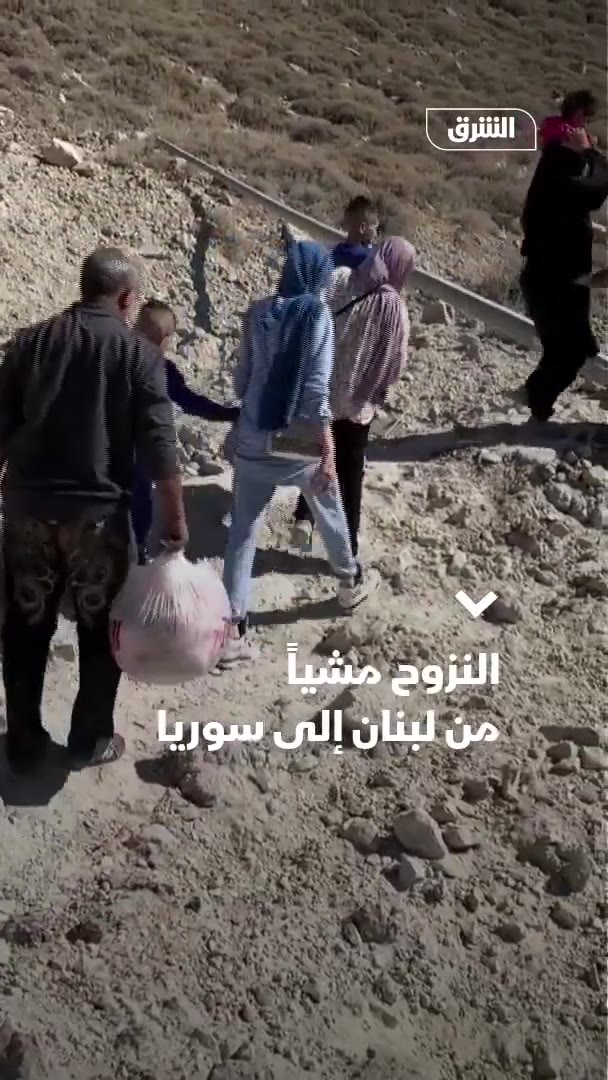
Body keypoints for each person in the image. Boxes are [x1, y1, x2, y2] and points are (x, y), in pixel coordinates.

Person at [0, 248, 187, 773]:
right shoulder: (138, 354)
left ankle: (23, 743)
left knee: (25, 626)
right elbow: (160, 444)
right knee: (100, 632)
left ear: (84, 287)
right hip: (99, 521)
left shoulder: (31, 342)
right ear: (127, 298)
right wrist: (174, 520)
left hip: (28, 514)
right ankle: (89, 740)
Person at [221, 240, 377, 666]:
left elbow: (241, 380)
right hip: (299, 441)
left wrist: (255, 408)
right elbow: (314, 392)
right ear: (318, 277)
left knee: (244, 532)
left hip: (255, 432)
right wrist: (328, 451)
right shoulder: (317, 316)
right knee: (330, 509)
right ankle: (348, 584)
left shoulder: (257, 313)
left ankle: (232, 625)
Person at [291, 237, 415, 558]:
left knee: (317, 455)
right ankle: (347, 547)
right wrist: (376, 395)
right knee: (349, 474)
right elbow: (395, 362)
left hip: (322, 391)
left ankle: (304, 520)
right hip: (358, 404)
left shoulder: (341, 278)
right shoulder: (395, 310)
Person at [520, 89, 608, 421]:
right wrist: (593, 155)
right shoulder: (561, 163)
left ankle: (536, 401)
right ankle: (536, 405)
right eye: (587, 122)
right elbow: (596, 191)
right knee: (567, 352)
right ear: (577, 121)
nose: (590, 130)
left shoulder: (560, 161)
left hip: (561, 278)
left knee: (573, 348)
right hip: (553, 280)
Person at [132, 300, 239, 563]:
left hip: (95, 453)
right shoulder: (161, 369)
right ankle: (136, 558)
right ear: (166, 337)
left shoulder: (109, 351)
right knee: (139, 504)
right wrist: (230, 414)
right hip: (137, 458)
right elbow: (191, 402)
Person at [332, 196, 379, 270]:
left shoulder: (334, 251)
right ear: (362, 228)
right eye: (375, 228)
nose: (376, 233)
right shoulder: (368, 260)